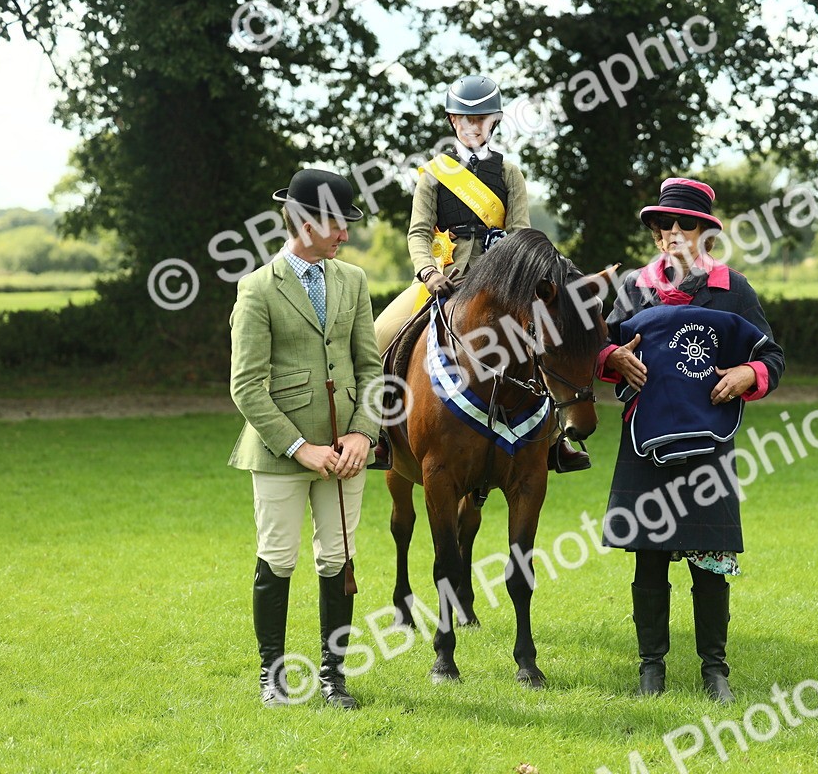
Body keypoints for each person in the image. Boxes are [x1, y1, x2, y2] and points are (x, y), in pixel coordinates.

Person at [598, 177, 785, 704]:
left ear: (706, 233)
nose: (675, 234)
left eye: (687, 226)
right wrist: (611, 360)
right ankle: (650, 669)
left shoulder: (734, 290)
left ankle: (715, 671)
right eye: (666, 226)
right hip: (646, 441)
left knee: (711, 561)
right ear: (657, 236)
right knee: (650, 556)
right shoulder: (632, 287)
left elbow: (772, 357)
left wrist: (749, 375)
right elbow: (599, 349)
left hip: (708, 443)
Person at [372, 73, 588, 472]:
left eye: (482, 119)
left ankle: (556, 441)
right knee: (382, 332)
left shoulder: (509, 174)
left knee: (544, 339)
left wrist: (508, 256)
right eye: (465, 119)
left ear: (496, 121)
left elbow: (524, 234)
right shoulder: (434, 174)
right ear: (453, 121)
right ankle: (380, 435)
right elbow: (418, 232)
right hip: (443, 279)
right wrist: (427, 274)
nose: (473, 126)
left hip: (500, 287)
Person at [228, 168, 383, 709]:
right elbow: (246, 386)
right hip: (280, 453)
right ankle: (273, 675)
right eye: (339, 224)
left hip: (346, 452)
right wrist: (301, 448)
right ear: (305, 221)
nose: (346, 235)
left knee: (338, 558)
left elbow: (371, 367)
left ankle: (332, 675)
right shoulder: (256, 289)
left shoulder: (354, 281)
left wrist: (365, 433)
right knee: (277, 558)